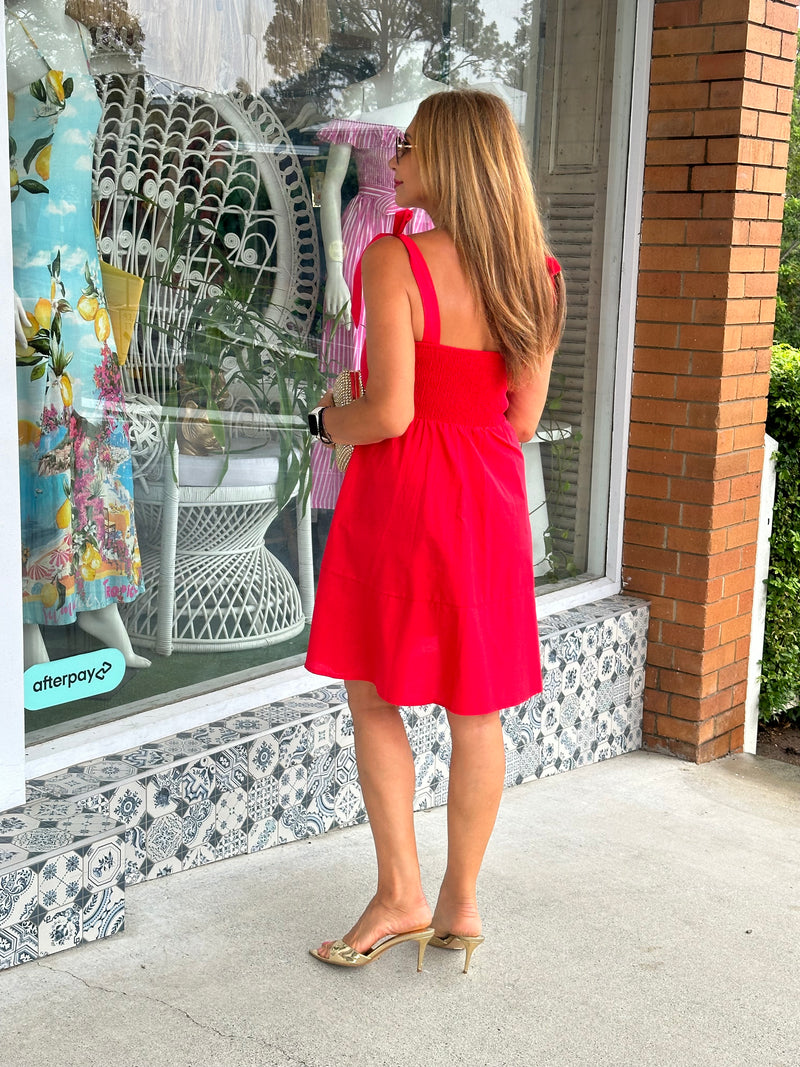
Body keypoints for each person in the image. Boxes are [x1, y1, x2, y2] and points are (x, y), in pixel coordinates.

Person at [304, 89, 566, 972]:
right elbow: (522, 421)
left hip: (405, 501)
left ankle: (399, 892)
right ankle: (460, 903)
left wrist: (322, 421)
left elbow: (388, 413)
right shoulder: (540, 273)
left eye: (410, 142)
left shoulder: (392, 257)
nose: (393, 155)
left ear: (451, 158)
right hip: (488, 505)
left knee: (376, 692)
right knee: (475, 707)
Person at [7, 0, 149, 671]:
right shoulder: (8, 30)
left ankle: (96, 596)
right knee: (36, 439)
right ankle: (31, 608)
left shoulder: (77, 35)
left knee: (92, 430)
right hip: (26, 262)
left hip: (82, 269)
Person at [310, 40, 446, 510]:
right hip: (364, 229)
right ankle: (338, 488)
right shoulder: (359, 98)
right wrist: (335, 271)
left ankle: (396, 482)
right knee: (352, 356)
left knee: (412, 360)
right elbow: (330, 186)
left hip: (422, 225)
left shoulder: (440, 102)